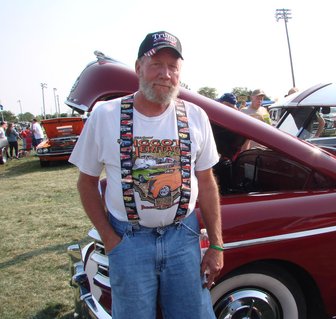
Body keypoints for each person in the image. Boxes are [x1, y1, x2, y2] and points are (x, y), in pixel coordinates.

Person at [69, 30, 223, 319]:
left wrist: (216, 244)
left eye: (172, 67)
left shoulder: (196, 116)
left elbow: (207, 182)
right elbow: (86, 183)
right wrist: (111, 239)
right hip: (128, 241)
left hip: (183, 237)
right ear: (138, 68)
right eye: (156, 64)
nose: (165, 74)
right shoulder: (105, 114)